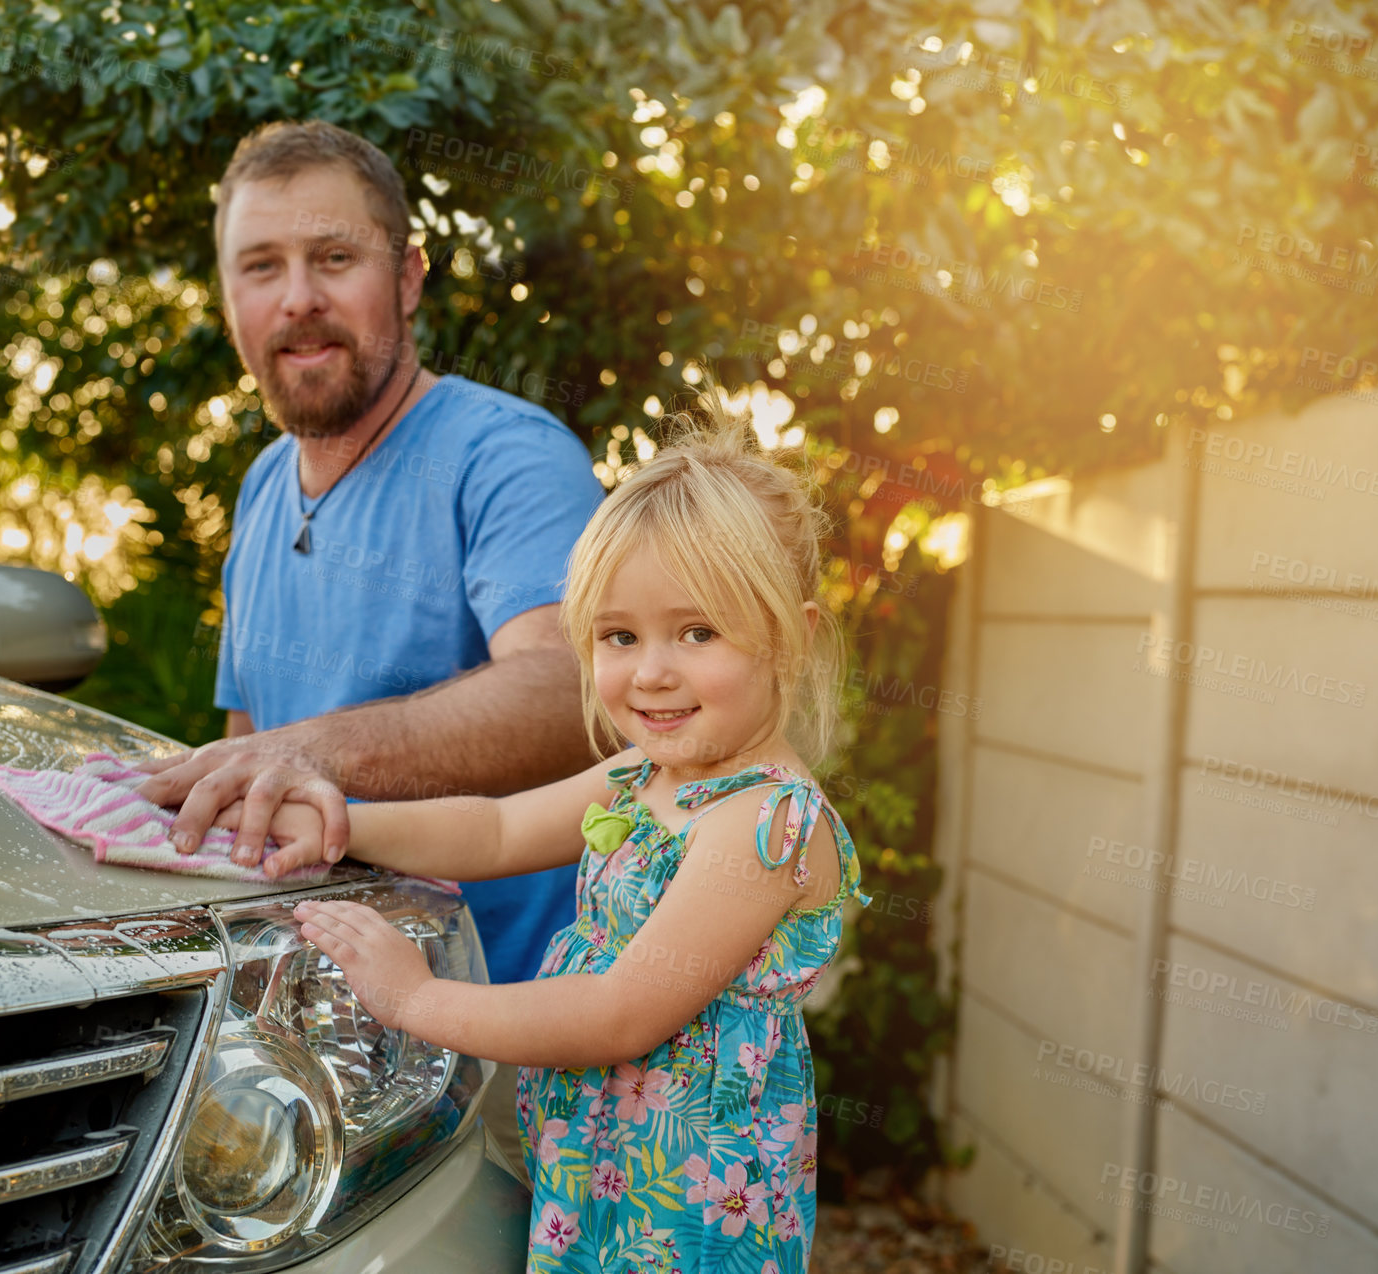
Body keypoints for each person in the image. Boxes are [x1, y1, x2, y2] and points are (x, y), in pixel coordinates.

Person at [248, 395, 871, 1272]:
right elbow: (496, 830)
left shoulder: (763, 822)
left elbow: (618, 1014)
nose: (650, 672)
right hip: (600, 1181)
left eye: (697, 632)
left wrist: (417, 1000)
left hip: (688, 1222)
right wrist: (343, 822)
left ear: (790, 640)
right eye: (619, 635)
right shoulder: (644, 776)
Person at [134, 119, 607, 989]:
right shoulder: (264, 484)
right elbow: (252, 754)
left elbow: (573, 691)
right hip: (307, 1037)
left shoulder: (509, 456)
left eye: (336, 258)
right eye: (262, 265)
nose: (298, 297)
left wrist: (321, 752)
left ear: (409, 277)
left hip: (515, 1044)